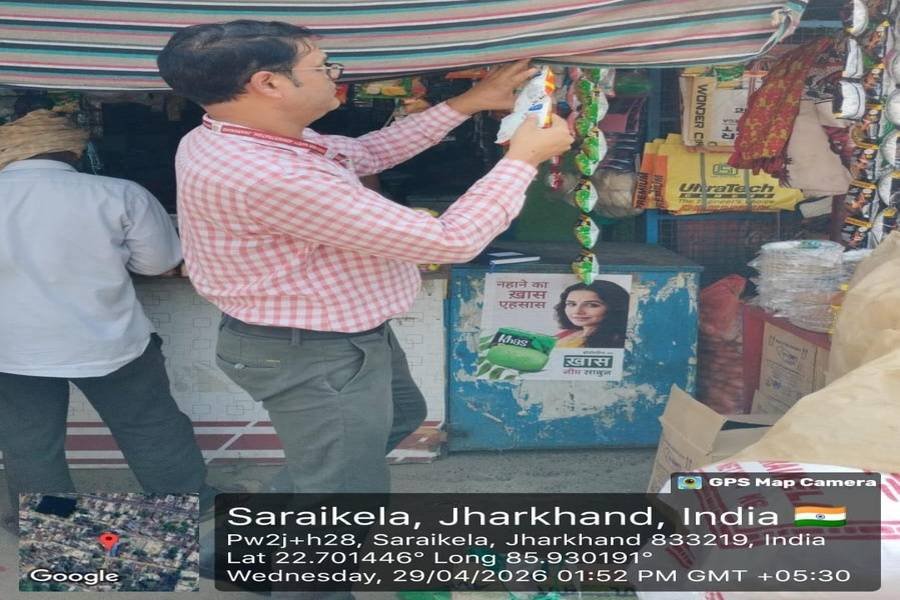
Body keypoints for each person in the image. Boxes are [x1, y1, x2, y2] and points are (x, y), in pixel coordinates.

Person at [156, 19, 573, 498]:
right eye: (321, 67)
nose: (335, 75)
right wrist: (521, 160)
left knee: (390, 424)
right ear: (268, 84)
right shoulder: (269, 174)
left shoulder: (234, 135)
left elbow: (363, 153)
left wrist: (468, 102)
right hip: (314, 352)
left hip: (334, 339)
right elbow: (451, 241)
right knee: (344, 491)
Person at [0, 109, 213, 534]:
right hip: (110, 343)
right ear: (74, 151)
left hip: (12, 348)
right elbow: (157, 263)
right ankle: (187, 500)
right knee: (149, 424)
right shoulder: (119, 193)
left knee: (29, 440)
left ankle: (46, 520)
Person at [554, 281, 630, 349]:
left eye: (591, 305)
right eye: (572, 304)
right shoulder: (567, 334)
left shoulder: (618, 342)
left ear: (614, 307)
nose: (577, 311)